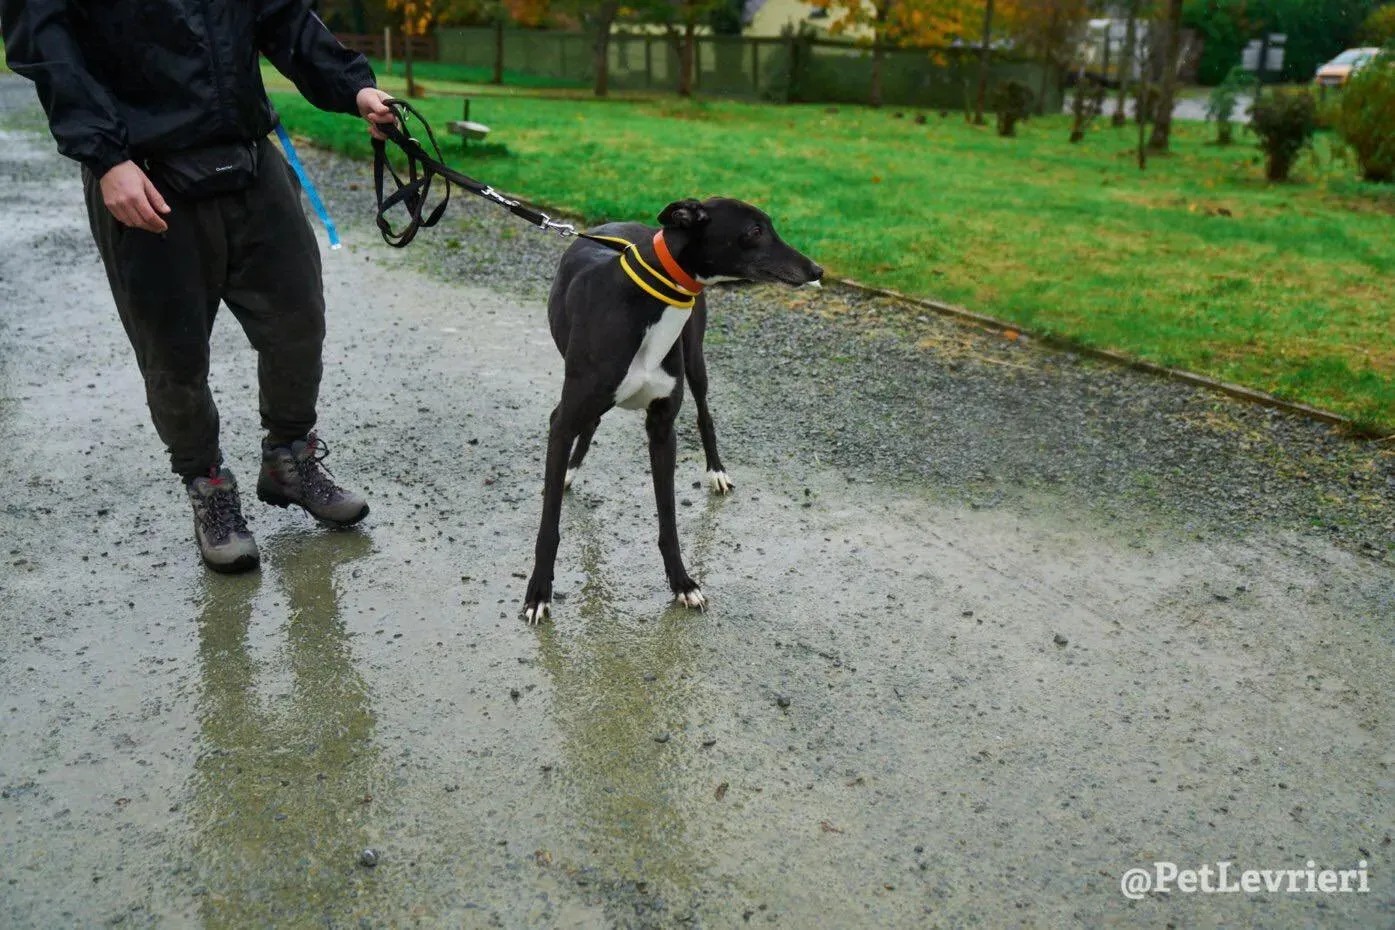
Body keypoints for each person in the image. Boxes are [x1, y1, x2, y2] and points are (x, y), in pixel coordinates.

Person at [2, 1, 397, 573]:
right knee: (173, 354)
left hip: (248, 157)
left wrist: (354, 88)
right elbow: (46, 48)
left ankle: (289, 457)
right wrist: (107, 159)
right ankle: (208, 486)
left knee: (297, 320)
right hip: (143, 171)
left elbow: (283, 18)